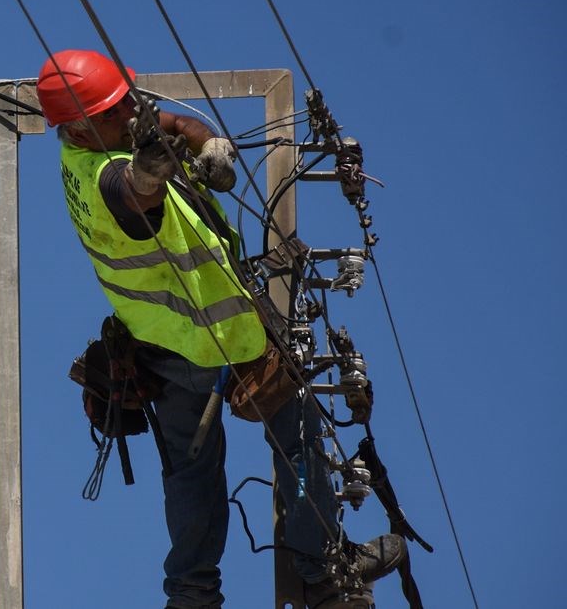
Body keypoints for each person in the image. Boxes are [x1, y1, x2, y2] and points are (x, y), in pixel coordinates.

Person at [36, 49, 407, 608]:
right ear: (79, 128)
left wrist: (206, 142)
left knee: (190, 472)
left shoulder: (103, 132)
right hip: (222, 343)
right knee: (298, 430)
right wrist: (149, 175)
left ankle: (191, 594)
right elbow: (131, 197)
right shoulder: (100, 174)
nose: (130, 111)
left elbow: (174, 122)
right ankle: (325, 572)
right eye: (114, 108)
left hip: (163, 349)